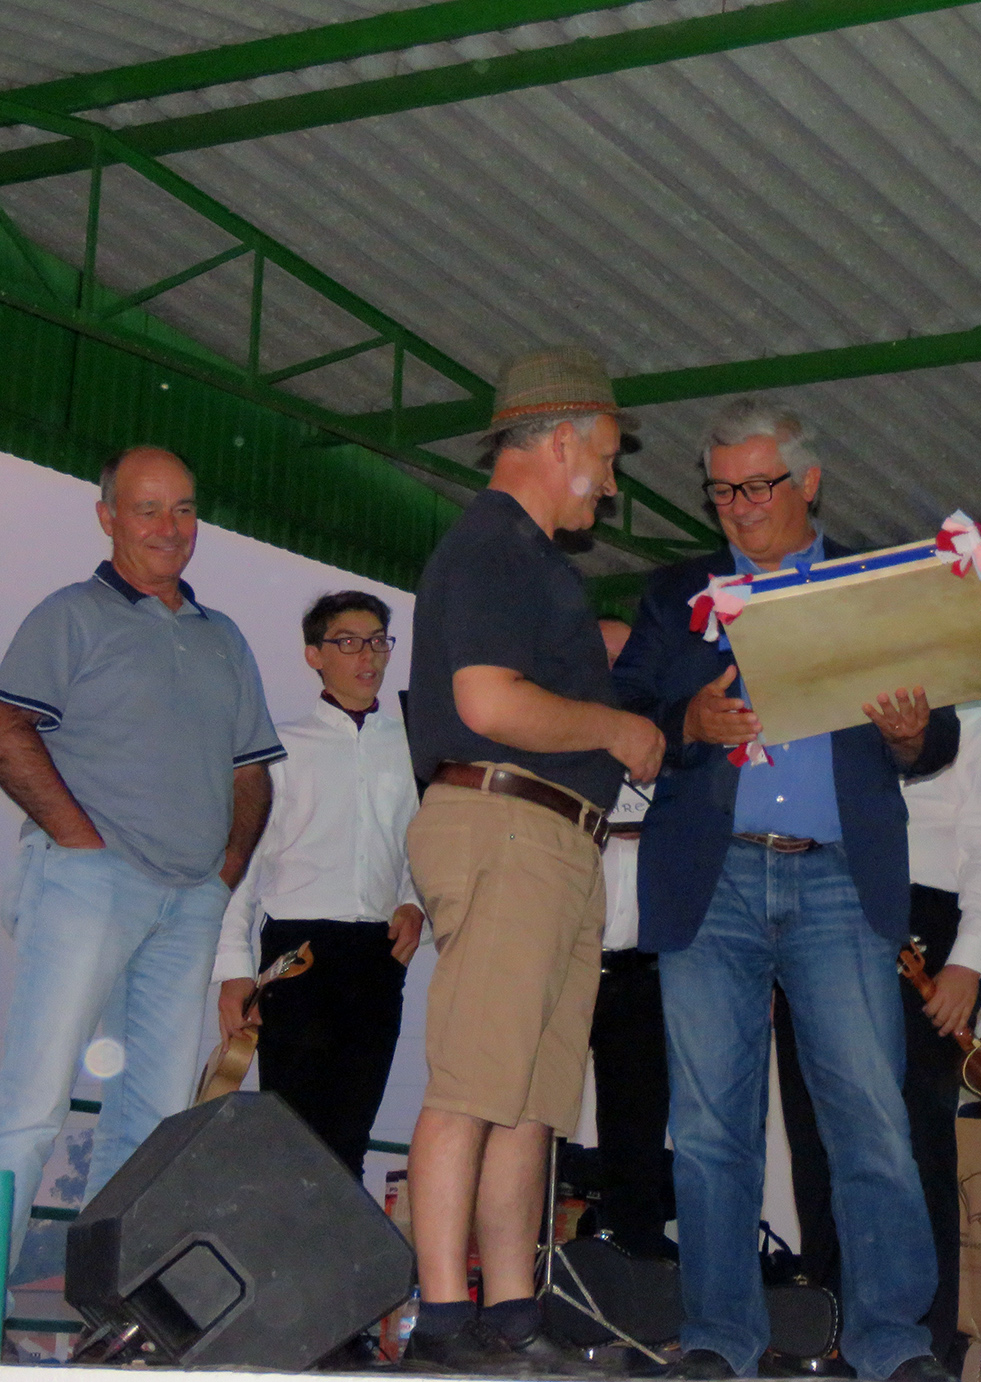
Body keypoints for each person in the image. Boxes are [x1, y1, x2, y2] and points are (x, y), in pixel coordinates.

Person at [609, 397, 960, 1382]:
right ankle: (720, 1334)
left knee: (872, 1122)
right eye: (720, 488)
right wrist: (691, 717)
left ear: (808, 482)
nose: (736, 505)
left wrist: (905, 734)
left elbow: (936, 734)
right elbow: (626, 703)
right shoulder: (676, 590)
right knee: (712, 1125)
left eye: (756, 484)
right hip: (708, 876)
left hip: (840, 879)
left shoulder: (873, 586)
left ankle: (892, 1338)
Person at [400, 345, 665, 1372]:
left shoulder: (531, 563)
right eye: (604, 454)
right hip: (508, 825)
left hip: (552, 838)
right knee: (474, 1082)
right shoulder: (494, 545)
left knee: (528, 1096)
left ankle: (512, 1314)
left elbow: (576, 652)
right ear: (562, 441)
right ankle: (439, 1321)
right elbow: (488, 703)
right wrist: (619, 729)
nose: (611, 476)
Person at [0, 445, 282, 1260]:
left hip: (190, 900)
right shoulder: (71, 614)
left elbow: (252, 772)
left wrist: (220, 877)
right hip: (88, 884)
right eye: (148, 509)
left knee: (153, 1124)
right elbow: (7, 727)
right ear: (108, 518)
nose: (169, 528)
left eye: (185, 509)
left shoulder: (223, 636)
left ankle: (108, 1326)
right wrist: (83, 844)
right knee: (32, 1106)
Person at [775, 700, 981, 1370]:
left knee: (915, 1143)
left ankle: (924, 1346)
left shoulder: (977, 701)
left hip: (924, 920)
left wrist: (969, 960)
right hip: (815, 905)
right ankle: (828, 1331)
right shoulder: (828, 684)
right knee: (817, 1136)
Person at [212, 591, 424, 1181]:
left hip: (378, 954)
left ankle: (338, 1272)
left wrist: (414, 900)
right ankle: (285, 1267)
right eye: (348, 641)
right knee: (291, 1134)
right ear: (314, 654)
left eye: (379, 640)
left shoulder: (411, 747)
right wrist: (233, 969)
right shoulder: (279, 746)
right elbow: (244, 866)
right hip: (296, 953)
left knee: (353, 1135)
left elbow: (420, 844)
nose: (369, 655)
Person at [587, 617, 674, 1260]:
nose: (617, 676)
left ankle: (637, 1263)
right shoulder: (558, 742)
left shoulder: (672, 746)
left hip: (648, 967)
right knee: (533, 1119)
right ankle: (535, 1261)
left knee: (639, 1126)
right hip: (567, 959)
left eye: (627, 660)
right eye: (603, 660)